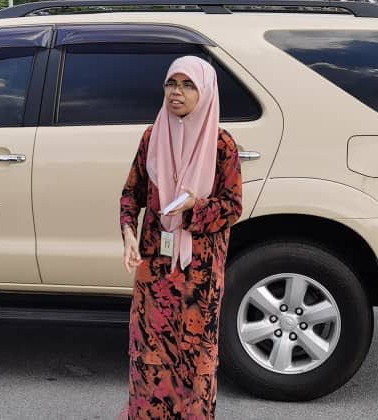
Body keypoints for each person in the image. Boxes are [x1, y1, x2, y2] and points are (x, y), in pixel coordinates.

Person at [119, 55, 243, 419]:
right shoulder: (152, 137)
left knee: (194, 359)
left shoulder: (221, 144)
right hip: (154, 269)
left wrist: (193, 209)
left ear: (205, 92)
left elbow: (232, 206)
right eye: (172, 83)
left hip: (199, 275)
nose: (177, 92)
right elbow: (131, 194)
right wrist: (128, 232)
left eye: (188, 85)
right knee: (149, 356)